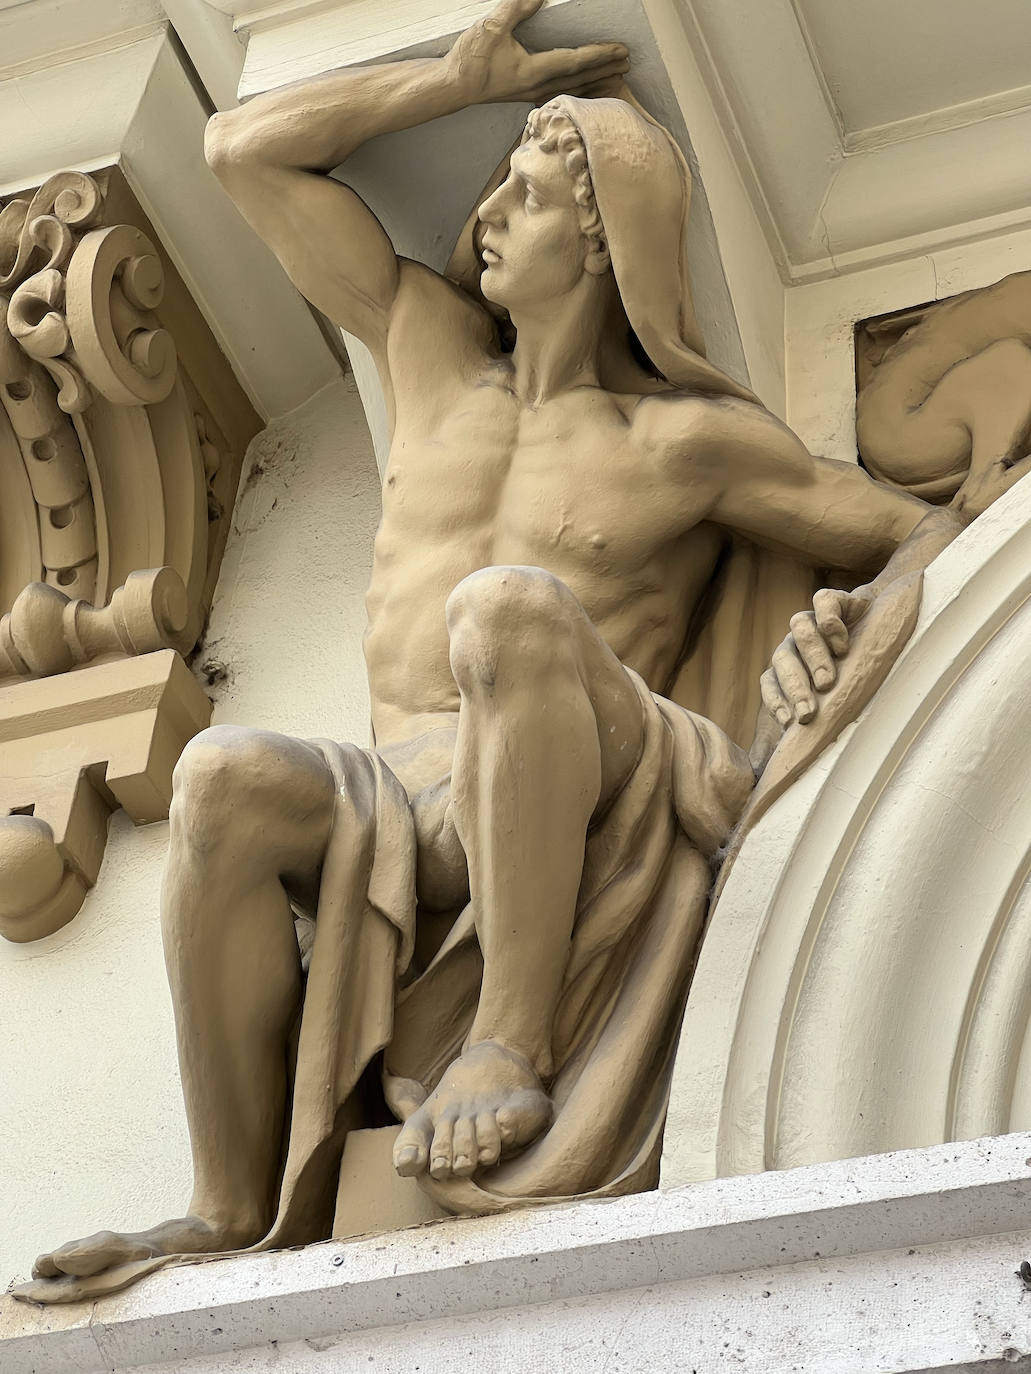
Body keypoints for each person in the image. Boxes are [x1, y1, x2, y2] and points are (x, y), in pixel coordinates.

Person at [17, 0, 978, 1304]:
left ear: (598, 238)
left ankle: (510, 1043)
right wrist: (448, 78)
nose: (478, 221)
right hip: (396, 812)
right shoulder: (424, 348)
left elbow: (923, 531)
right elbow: (246, 152)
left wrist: (842, 626)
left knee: (504, 608)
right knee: (223, 777)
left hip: (578, 790)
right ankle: (231, 1200)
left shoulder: (681, 445)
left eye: (519, 196)